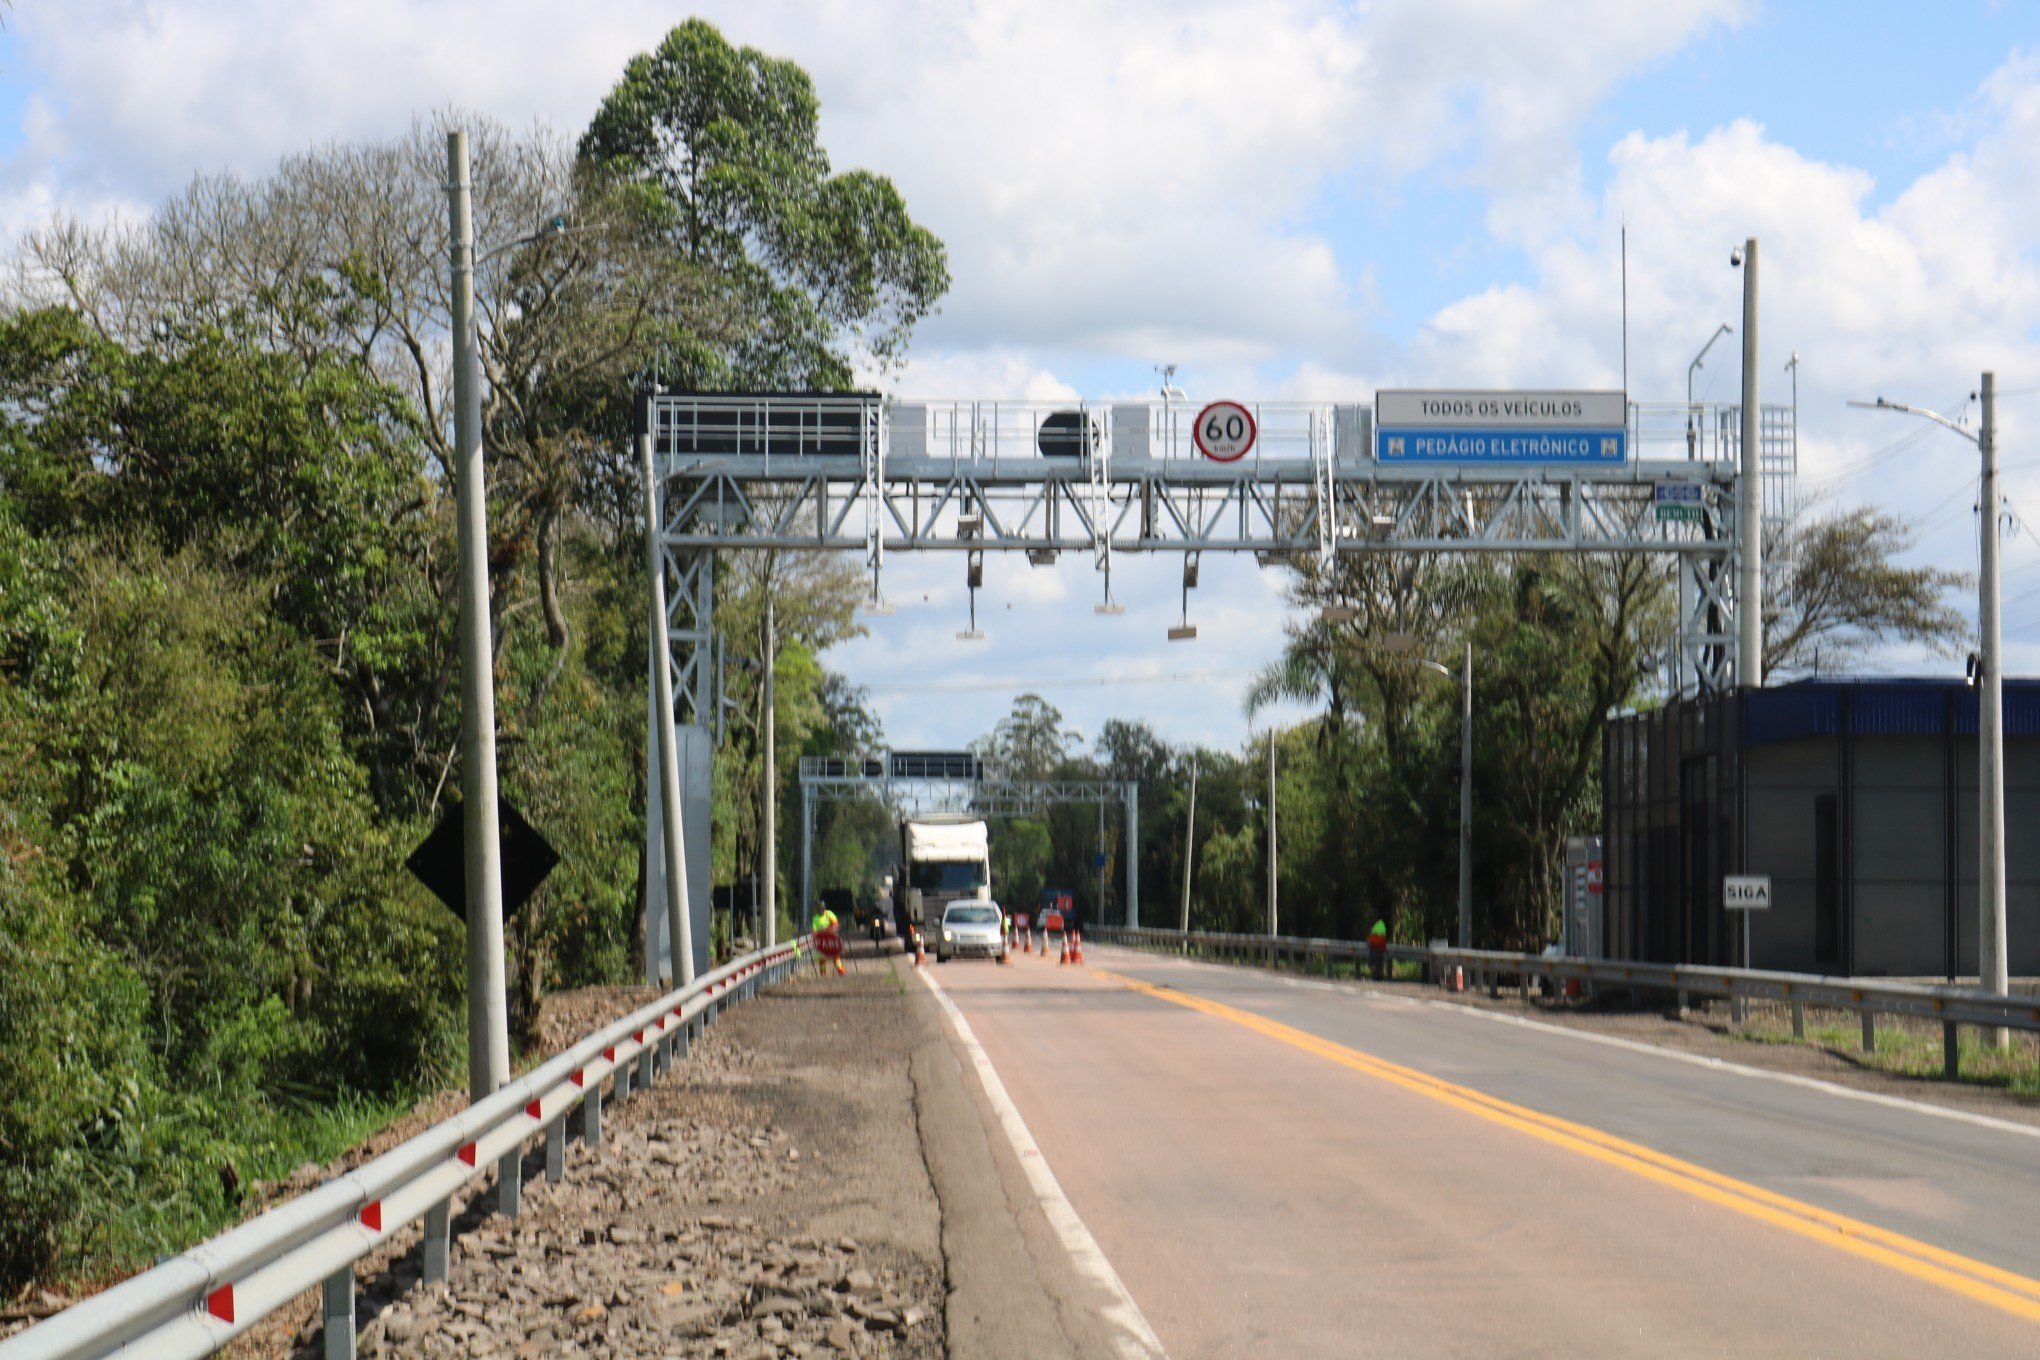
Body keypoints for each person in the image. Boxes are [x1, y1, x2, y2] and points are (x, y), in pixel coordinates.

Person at [812, 901, 844, 977]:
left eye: (823, 909)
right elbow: (814, 930)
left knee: (835, 955)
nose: (822, 910)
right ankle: (823, 974)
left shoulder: (829, 914)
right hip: (822, 940)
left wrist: (830, 927)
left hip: (831, 938)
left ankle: (841, 970)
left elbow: (836, 924)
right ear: (818, 909)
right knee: (822, 956)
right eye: (820, 909)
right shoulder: (815, 918)